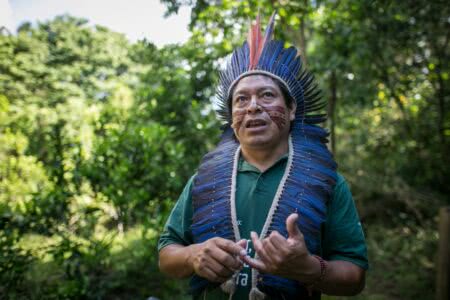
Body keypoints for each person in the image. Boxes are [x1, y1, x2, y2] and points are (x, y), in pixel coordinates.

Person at [158, 12, 368, 300]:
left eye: (267, 95)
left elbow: (355, 277)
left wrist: (308, 268)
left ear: (292, 109)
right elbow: (167, 253)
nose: (253, 107)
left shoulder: (327, 184)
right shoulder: (203, 182)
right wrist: (193, 255)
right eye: (241, 99)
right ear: (231, 116)